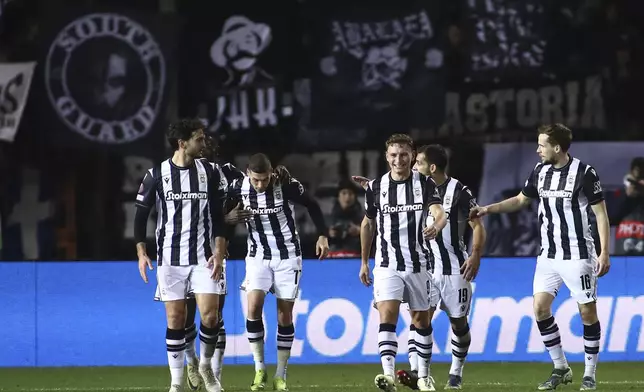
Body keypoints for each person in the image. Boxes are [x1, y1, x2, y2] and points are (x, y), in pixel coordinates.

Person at [469, 124, 611, 391]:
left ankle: (589, 373)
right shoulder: (540, 171)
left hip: (578, 254)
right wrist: (488, 209)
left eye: (541, 144)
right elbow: (521, 200)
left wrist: (604, 252)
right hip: (548, 255)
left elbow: (601, 215)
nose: (537, 149)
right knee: (540, 308)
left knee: (587, 312)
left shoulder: (584, 173)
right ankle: (561, 367)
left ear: (557, 147)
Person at [353, 144, 486, 390]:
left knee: (458, 324)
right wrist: (374, 188)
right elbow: (394, 199)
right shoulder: (412, 187)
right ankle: (418, 374)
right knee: (419, 321)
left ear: (431, 167)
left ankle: (455, 373)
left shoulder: (457, 191)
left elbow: (476, 225)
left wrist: (475, 255)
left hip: (455, 268)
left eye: (418, 162)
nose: (412, 165)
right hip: (426, 266)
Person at [134, 119, 228, 392]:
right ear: (182, 143)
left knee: (210, 316)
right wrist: (141, 253)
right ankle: (176, 383)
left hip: (204, 257)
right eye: (199, 138)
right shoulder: (156, 175)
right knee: (175, 319)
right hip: (170, 260)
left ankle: (205, 367)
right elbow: (141, 216)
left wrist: (219, 253)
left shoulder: (209, 172)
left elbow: (219, 219)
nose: (203, 142)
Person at [227, 153, 329, 391]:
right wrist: (227, 218)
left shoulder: (286, 185)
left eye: (264, 180)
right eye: (256, 180)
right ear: (247, 173)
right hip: (258, 256)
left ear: (272, 172)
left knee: (285, 316)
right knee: (253, 306)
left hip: (287, 256)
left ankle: (280, 374)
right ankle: (259, 369)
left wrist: (322, 235)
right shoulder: (238, 187)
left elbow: (312, 205)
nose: (260, 185)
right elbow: (216, 208)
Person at [359, 134, 447, 392]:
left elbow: (439, 212)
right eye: (394, 155)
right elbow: (368, 223)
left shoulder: (425, 183)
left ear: (412, 155)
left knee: (421, 321)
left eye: (404, 154)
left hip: (419, 264)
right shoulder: (376, 187)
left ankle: (424, 376)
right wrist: (364, 261)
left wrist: (437, 225)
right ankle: (388, 376)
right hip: (387, 264)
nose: (399, 159)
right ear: (387, 157)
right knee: (387, 315)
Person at [328, 179, 364, 258]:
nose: (347, 197)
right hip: (334, 255)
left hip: (356, 255)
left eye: (350, 194)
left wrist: (360, 231)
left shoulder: (364, 217)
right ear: (338, 196)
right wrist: (328, 234)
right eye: (344, 193)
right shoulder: (330, 218)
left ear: (355, 197)